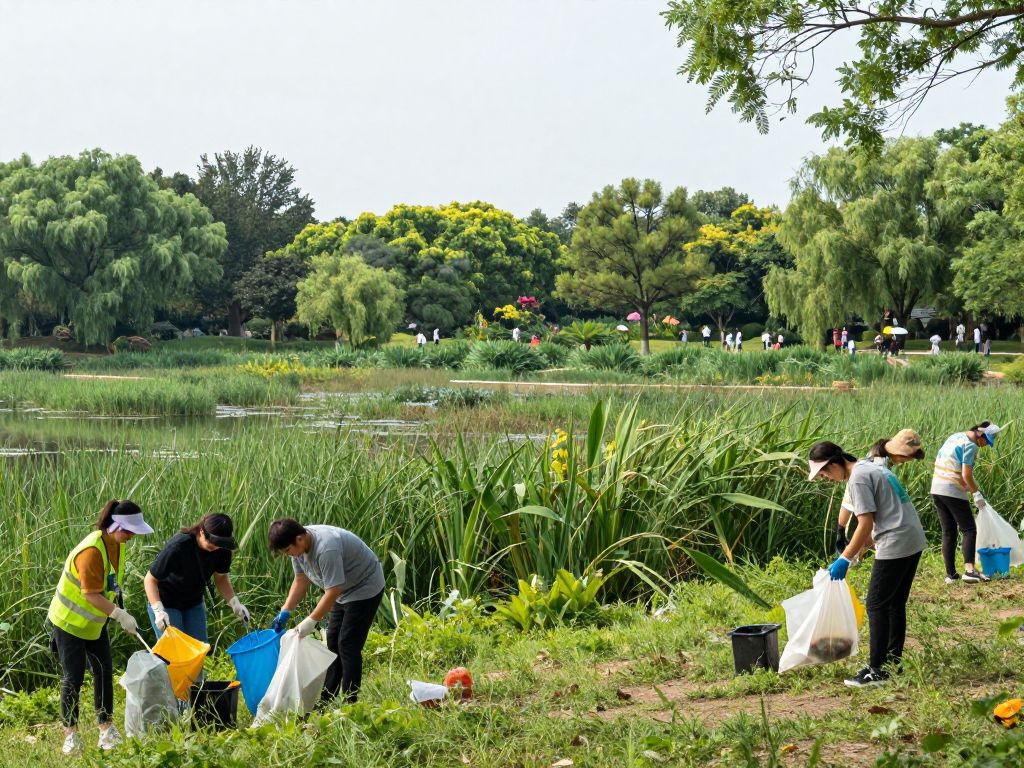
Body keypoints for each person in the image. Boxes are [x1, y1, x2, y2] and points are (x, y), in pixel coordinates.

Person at [808, 441, 927, 688]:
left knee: (876, 605)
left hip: (896, 542)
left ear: (834, 463)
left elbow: (865, 524)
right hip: (911, 538)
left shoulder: (858, 478)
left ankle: (877, 670)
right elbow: (883, 515)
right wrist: (859, 550)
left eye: (825, 473)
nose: (826, 479)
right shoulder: (871, 467)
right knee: (894, 604)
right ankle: (893, 663)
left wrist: (844, 558)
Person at [48, 500, 153, 754]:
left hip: (94, 623)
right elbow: (90, 594)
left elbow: (110, 582)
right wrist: (119, 615)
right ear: (115, 525)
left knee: (104, 671)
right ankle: (70, 736)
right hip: (69, 623)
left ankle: (105, 730)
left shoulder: (117, 544)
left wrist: (117, 610)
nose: (132, 536)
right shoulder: (92, 551)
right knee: (73, 678)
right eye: (129, 531)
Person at [268, 519, 385, 704]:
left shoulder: (326, 548)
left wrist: (311, 620)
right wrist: (286, 610)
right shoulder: (297, 551)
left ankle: (350, 702)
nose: (287, 555)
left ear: (299, 538)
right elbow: (301, 580)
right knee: (333, 642)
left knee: (347, 645)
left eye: (287, 550)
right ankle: (327, 697)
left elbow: (333, 590)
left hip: (365, 586)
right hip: (342, 590)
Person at [144, 513, 249, 643]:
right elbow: (150, 580)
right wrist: (158, 610)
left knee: (199, 649)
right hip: (166, 602)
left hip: (193, 602)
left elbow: (221, 578)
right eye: (212, 542)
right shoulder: (179, 546)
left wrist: (235, 603)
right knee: (176, 653)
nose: (215, 547)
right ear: (201, 531)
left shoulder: (222, 549)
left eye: (220, 544)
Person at [835, 430, 925, 561]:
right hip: (871, 517)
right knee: (859, 547)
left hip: (883, 525)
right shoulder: (876, 466)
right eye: (906, 458)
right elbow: (849, 501)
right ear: (897, 452)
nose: (905, 462)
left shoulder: (880, 456)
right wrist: (841, 530)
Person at [931, 422, 1002, 584]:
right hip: (952, 490)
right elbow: (966, 474)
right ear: (979, 433)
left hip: (936, 488)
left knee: (949, 531)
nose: (984, 445)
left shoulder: (954, 437)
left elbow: (952, 464)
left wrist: (969, 486)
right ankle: (970, 571)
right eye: (986, 440)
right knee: (969, 529)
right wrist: (976, 493)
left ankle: (950, 575)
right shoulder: (971, 445)